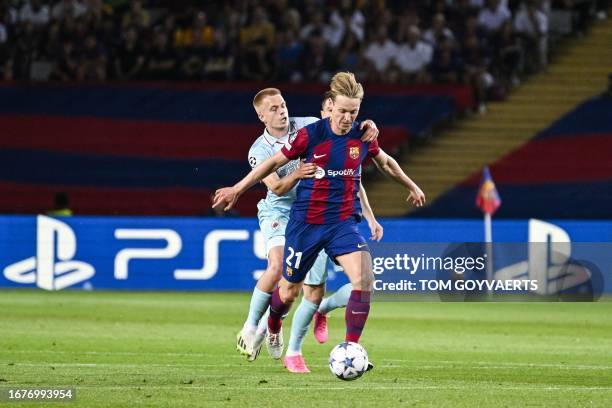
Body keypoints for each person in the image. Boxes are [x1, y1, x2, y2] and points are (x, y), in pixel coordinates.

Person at [214, 72, 425, 375]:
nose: (346, 117)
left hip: (341, 224)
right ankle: (271, 322)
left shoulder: (362, 135)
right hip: (304, 224)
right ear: (331, 107)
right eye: (342, 111)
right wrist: (237, 188)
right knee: (288, 292)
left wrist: (410, 185)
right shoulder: (310, 134)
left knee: (365, 279)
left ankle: (351, 346)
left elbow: (386, 162)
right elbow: (271, 166)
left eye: (353, 112)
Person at [235, 87, 380, 373]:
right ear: (261, 115)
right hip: (280, 209)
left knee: (312, 293)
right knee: (278, 268)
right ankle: (254, 327)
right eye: (274, 108)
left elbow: (348, 159)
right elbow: (275, 187)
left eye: (283, 105)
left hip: (320, 212)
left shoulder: (307, 125)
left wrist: (368, 125)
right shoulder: (258, 150)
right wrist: (299, 173)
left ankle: (295, 350)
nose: (282, 111)